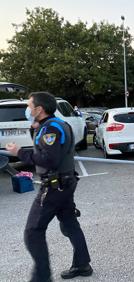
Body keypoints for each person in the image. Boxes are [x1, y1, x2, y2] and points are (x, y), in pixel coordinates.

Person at [6, 92, 92, 281]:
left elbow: (49, 159)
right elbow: (45, 148)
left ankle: (42, 278)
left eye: (29, 106)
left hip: (54, 187)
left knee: (33, 231)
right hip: (65, 183)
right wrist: (34, 127)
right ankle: (82, 264)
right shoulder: (55, 124)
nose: (27, 110)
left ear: (39, 109)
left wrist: (19, 152)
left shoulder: (51, 129)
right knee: (70, 223)